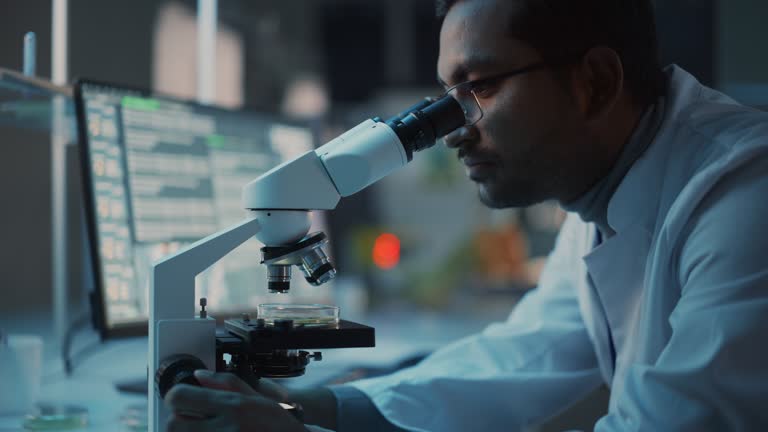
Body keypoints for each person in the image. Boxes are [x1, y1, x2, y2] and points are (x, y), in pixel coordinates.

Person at [165, 0, 768, 430]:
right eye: (447, 100)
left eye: (479, 87)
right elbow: (524, 357)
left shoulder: (746, 195)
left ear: (596, 82)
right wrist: (304, 407)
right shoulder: (600, 195)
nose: (453, 133)